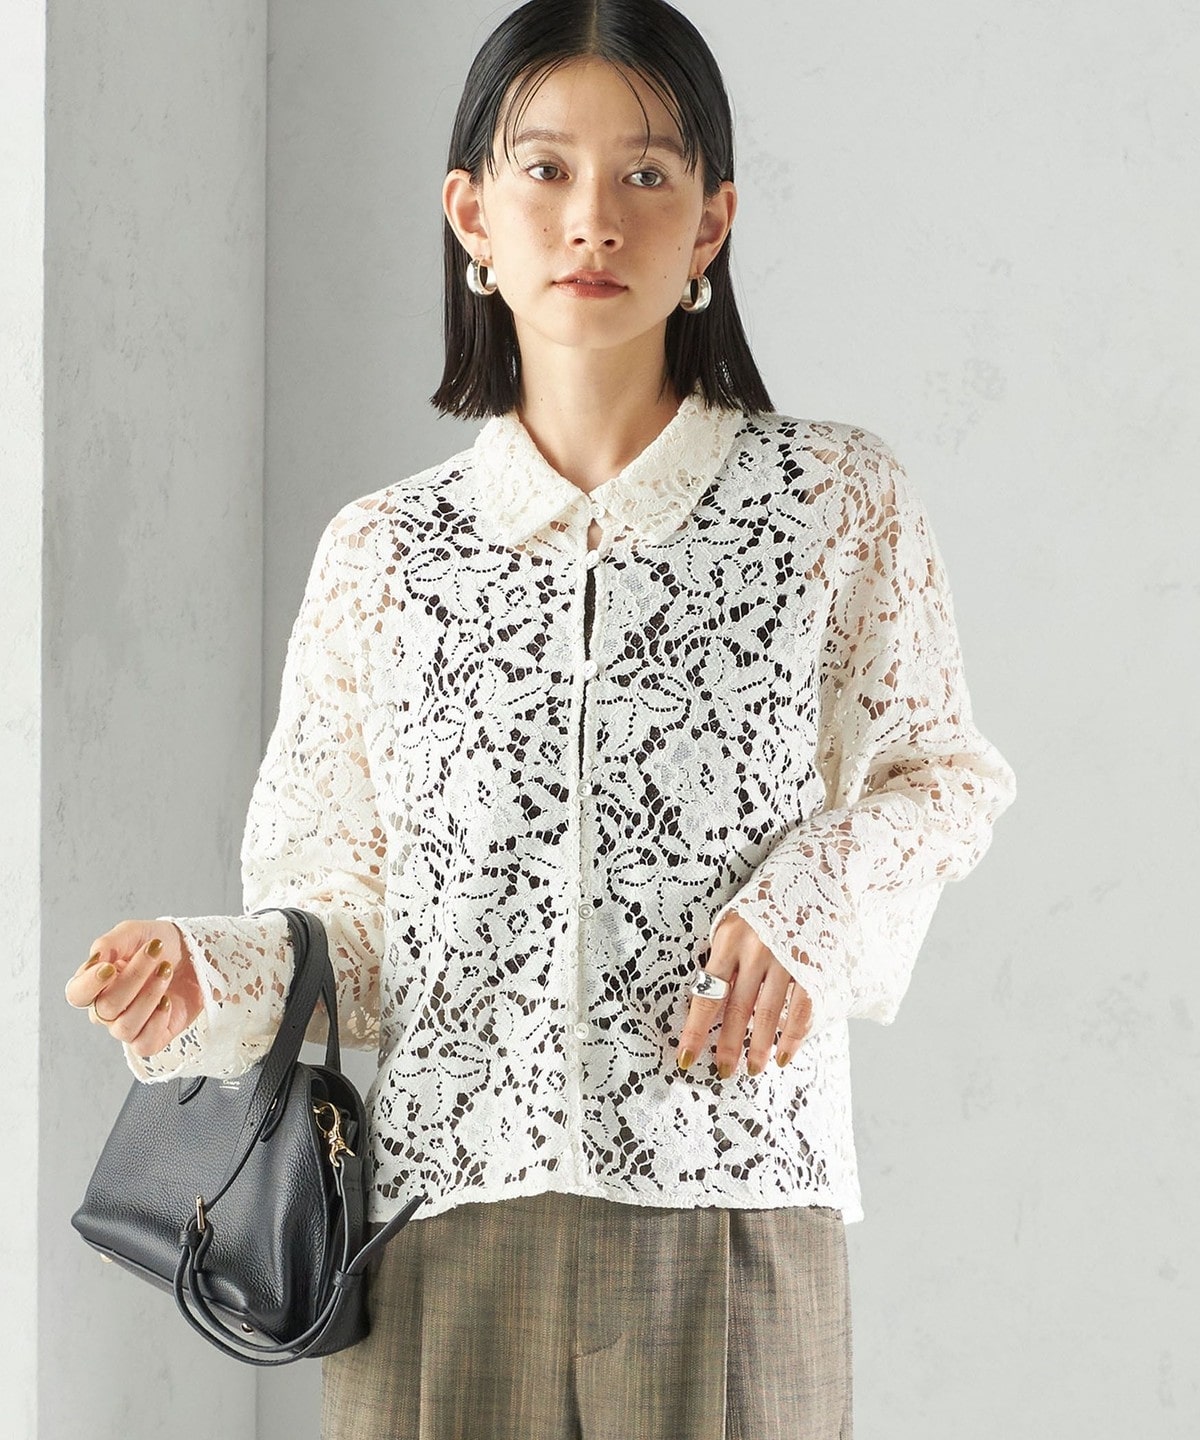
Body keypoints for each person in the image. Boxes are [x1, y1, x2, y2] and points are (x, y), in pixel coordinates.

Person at [65, 2, 1017, 1436]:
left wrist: (810, 907)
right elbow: (357, 931)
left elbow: (939, 778)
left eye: (646, 173)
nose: (593, 219)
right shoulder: (382, 555)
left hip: (726, 1215)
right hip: (437, 1236)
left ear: (712, 223)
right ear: (472, 213)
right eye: (546, 170)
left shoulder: (834, 503)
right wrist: (202, 975)